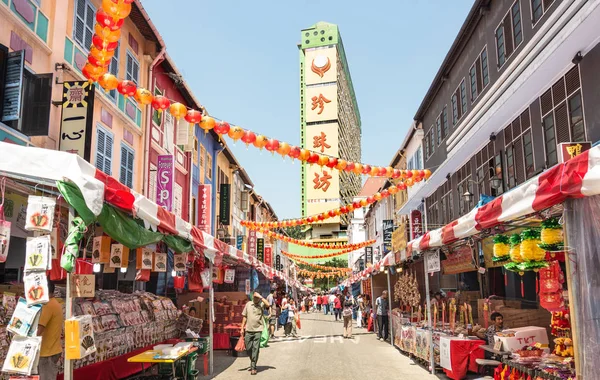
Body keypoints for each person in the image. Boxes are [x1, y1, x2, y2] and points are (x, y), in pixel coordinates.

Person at [37, 281, 63, 380]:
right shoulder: (55, 303)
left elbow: (39, 330)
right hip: (53, 349)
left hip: (46, 352)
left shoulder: (47, 305)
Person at [241, 291, 271, 375]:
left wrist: (261, 297)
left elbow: (268, 304)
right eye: (254, 297)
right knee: (248, 348)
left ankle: (253, 366)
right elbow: (244, 317)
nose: (255, 299)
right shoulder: (248, 304)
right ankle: (253, 360)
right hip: (248, 330)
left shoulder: (261, 305)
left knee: (256, 349)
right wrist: (242, 328)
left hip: (258, 330)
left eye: (257, 298)